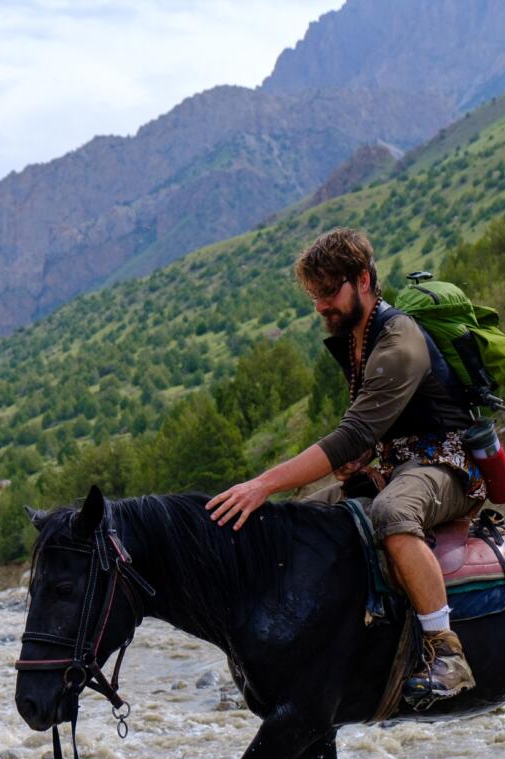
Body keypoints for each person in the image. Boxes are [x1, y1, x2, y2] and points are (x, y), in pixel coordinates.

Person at [206, 228, 484, 705]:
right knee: (302, 519)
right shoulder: (357, 339)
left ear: (363, 279)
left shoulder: (399, 339)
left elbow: (352, 433)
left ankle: (446, 650)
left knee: (392, 515)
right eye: (315, 295)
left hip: (449, 466)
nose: (320, 306)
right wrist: (360, 459)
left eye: (329, 291)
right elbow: (368, 432)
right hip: (399, 468)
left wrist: (261, 484)